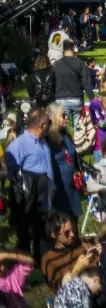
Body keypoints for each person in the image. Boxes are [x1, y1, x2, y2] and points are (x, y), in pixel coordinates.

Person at [5, 107, 53, 262]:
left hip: (44, 198)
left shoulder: (44, 143)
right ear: (41, 125)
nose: (50, 127)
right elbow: (13, 175)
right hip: (28, 200)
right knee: (25, 238)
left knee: (43, 235)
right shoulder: (18, 145)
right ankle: (24, 272)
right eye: (48, 124)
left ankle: (43, 265)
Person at [45, 102, 81, 220]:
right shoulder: (47, 141)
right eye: (63, 116)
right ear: (53, 118)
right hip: (59, 191)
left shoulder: (65, 135)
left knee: (74, 221)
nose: (67, 118)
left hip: (71, 188)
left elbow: (73, 156)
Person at [41, 212, 96, 290]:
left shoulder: (80, 243)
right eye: (67, 233)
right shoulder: (48, 260)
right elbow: (60, 291)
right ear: (54, 235)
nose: (72, 234)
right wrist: (77, 269)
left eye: (72, 230)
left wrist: (101, 252)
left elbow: (98, 261)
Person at [52, 39, 93, 132]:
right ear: (73, 48)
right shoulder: (80, 64)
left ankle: (65, 145)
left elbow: (52, 83)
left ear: (63, 49)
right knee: (78, 128)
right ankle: (78, 143)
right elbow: (86, 83)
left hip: (60, 98)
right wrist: (92, 99)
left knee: (61, 128)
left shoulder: (56, 65)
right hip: (76, 98)